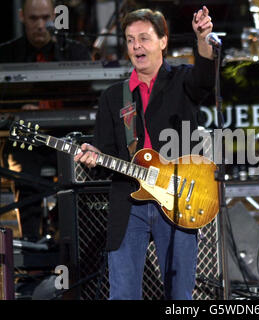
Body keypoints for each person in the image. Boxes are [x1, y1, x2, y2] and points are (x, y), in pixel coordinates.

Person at [74, 7, 215, 300]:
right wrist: (93, 157)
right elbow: (105, 156)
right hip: (129, 202)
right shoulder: (114, 97)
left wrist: (202, 39)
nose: (136, 46)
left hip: (178, 199)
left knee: (180, 296)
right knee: (123, 295)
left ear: (163, 41)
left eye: (144, 38)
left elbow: (205, 79)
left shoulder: (182, 80)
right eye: (130, 40)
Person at [0, 0, 91, 241]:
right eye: (33, 19)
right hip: (26, 134)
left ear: (54, 16)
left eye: (45, 18)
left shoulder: (75, 52)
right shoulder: (7, 54)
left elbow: (89, 98)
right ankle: (32, 243)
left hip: (67, 134)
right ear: (21, 17)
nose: (40, 25)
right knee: (22, 171)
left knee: (80, 169)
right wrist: (21, 110)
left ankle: (66, 236)